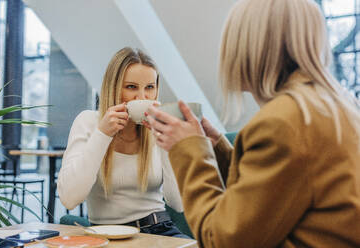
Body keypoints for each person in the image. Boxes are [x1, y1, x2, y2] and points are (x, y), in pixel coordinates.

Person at [146, 0, 360, 247]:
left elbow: (222, 239)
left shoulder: (283, 121)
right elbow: (276, 192)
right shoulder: (337, 105)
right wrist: (216, 148)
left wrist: (188, 149)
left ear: (252, 46)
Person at [57, 47, 188, 238]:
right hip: (106, 234)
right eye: (131, 87)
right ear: (113, 88)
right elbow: (69, 199)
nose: (142, 97)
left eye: (150, 87)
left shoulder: (157, 130)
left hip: (160, 229)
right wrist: (103, 134)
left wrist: (166, 143)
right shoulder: (88, 122)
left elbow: (178, 203)